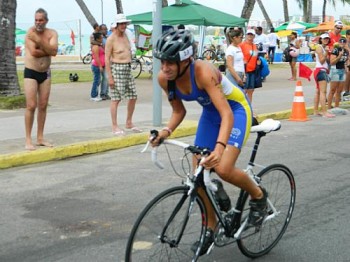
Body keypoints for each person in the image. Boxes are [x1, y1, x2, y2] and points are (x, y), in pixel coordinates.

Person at [151, 30, 268, 256]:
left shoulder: (203, 71)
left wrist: (219, 147)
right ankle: (210, 228)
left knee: (223, 167)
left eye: (170, 62)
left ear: (185, 59)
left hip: (235, 111)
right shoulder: (164, 79)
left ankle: (258, 196)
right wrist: (165, 132)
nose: (164, 67)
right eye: (162, 61)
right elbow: (178, 110)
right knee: (198, 177)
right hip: (211, 114)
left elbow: (227, 114)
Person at [24, 8, 58, 150]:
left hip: (46, 73)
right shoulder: (30, 33)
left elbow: (54, 51)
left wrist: (39, 41)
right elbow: (34, 52)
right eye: (36, 20)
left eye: (41, 20)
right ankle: (28, 139)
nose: (38, 23)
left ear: (46, 21)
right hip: (31, 72)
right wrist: (48, 48)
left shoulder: (52, 33)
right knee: (31, 105)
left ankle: (40, 137)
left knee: (43, 105)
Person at [105, 14, 141, 135]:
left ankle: (129, 122)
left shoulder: (126, 35)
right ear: (117, 25)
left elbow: (131, 49)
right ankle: (114, 126)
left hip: (127, 67)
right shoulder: (111, 39)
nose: (123, 26)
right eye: (121, 24)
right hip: (117, 68)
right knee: (116, 98)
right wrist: (110, 76)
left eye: (124, 23)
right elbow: (106, 58)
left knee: (133, 96)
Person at [313, 33, 335, 118]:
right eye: (324, 38)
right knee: (323, 92)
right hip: (320, 71)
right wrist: (326, 52)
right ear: (321, 39)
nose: (326, 40)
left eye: (327, 39)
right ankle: (324, 112)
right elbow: (322, 61)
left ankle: (315, 110)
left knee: (318, 92)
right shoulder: (319, 48)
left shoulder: (323, 48)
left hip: (321, 71)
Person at [328, 37, 349, 109]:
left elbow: (346, 61)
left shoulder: (346, 51)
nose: (342, 44)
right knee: (332, 89)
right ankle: (329, 106)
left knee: (339, 91)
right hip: (335, 70)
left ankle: (337, 106)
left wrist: (346, 67)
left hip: (342, 71)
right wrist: (339, 56)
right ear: (339, 43)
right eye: (341, 42)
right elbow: (331, 62)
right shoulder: (335, 50)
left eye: (344, 42)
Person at [240, 29, 259, 103]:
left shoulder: (254, 46)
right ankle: (241, 107)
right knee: (244, 90)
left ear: (254, 36)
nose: (250, 36)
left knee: (251, 90)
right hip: (245, 70)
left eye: (251, 35)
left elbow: (255, 56)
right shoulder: (242, 45)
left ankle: (249, 107)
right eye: (248, 34)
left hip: (253, 70)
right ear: (246, 35)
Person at [90, 32, 105, 102]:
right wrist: (100, 66)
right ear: (98, 39)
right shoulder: (95, 47)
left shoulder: (99, 45)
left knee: (98, 80)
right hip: (96, 65)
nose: (102, 39)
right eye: (101, 38)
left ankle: (96, 94)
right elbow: (96, 57)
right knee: (96, 80)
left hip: (99, 65)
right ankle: (93, 95)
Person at [342, 29, 350, 99]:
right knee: (348, 74)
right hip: (345, 62)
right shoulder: (344, 43)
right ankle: (346, 91)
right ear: (347, 35)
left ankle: (347, 92)